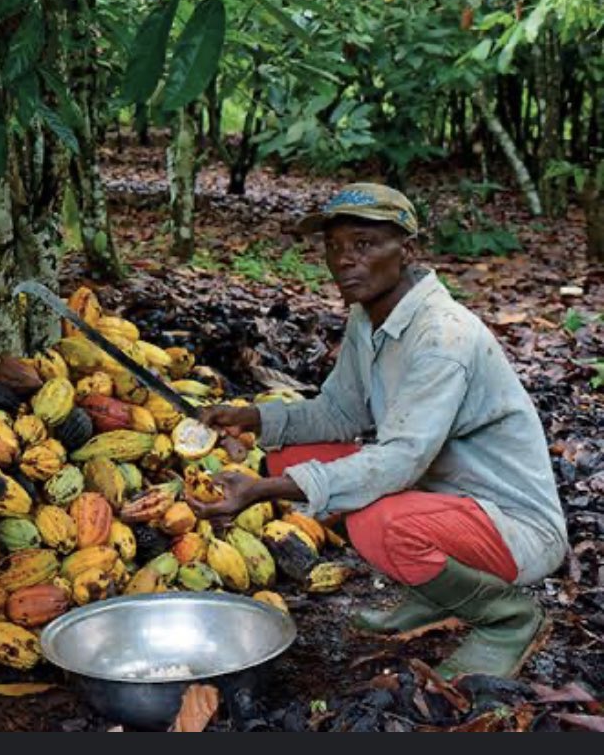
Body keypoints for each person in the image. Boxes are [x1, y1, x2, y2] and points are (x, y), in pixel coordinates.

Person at [188, 183, 568, 680]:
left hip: (514, 526)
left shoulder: (442, 337)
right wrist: (254, 418)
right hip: (445, 500)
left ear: (407, 251)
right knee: (290, 456)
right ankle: (435, 594)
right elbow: (338, 413)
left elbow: (399, 461)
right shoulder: (368, 318)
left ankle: (507, 620)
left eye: (364, 244)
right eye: (334, 246)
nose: (344, 260)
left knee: (378, 524)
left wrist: (263, 490)